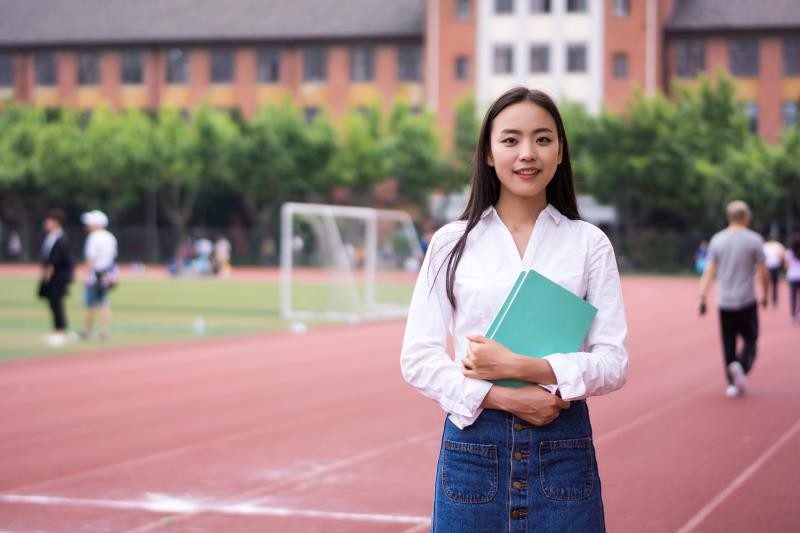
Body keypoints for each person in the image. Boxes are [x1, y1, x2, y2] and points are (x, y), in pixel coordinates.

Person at [400, 87, 628, 532]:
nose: (528, 153)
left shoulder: (588, 243)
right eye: (511, 140)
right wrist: (503, 395)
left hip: (562, 451)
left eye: (543, 139)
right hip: (473, 452)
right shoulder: (451, 242)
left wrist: (521, 366)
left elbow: (614, 362)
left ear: (560, 151)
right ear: (488, 152)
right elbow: (418, 357)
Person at [698, 200, 769, 398]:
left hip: (725, 300)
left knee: (728, 340)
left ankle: (731, 382)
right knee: (751, 338)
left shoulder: (717, 240)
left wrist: (702, 295)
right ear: (746, 217)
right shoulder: (754, 239)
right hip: (746, 299)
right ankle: (741, 364)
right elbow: (763, 271)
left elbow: (710, 270)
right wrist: (765, 295)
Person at [38, 209, 75, 347]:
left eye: (49, 220)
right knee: (53, 303)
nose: (46, 223)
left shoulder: (61, 239)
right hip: (52, 276)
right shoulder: (51, 237)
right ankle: (56, 329)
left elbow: (55, 260)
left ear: (56, 222)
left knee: (57, 303)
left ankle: (60, 330)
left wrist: (47, 276)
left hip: (58, 277)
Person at [80, 209, 118, 341]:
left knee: (90, 304)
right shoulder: (110, 237)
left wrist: (86, 275)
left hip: (95, 274)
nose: (88, 225)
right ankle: (103, 332)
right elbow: (113, 257)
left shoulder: (93, 237)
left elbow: (90, 258)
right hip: (108, 273)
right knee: (103, 303)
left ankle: (87, 332)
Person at [763, 233, 785, 308]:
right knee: (770, 284)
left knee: (774, 284)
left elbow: (782, 253)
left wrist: (780, 261)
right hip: (769, 267)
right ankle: (770, 299)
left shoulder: (776, 245)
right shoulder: (765, 246)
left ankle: (773, 300)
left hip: (773, 266)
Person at [784, 234, 800, 323]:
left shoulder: (789, 252)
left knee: (793, 297)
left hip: (792, 276)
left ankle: (793, 316)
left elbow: (786, 265)